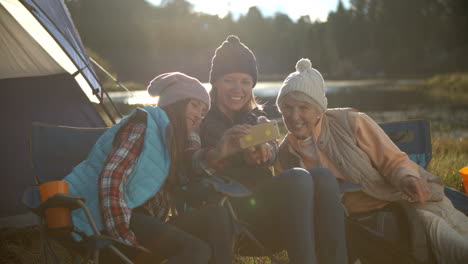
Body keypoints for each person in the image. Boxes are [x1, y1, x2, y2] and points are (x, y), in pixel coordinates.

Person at [274, 58, 468, 264]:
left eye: (303, 107)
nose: (294, 116)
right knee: (447, 245)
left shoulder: (350, 123)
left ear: (318, 110)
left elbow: (393, 161)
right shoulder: (284, 155)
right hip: (356, 228)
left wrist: (407, 178)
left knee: (456, 243)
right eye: (287, 107)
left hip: (403, 201)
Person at [63, 72, 248, 263]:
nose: (198, 115)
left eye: (202, 111)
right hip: (111, 222)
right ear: (176, 103)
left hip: (149, 222)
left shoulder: (174, 141)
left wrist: (218, 154)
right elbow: (111, 178)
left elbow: (189, 171)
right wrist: (121, 233)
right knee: (197, 251)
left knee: (216, 214)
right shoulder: (144, 126)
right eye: (194, 105)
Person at [197, 35, 348, 264]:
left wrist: (267, 150)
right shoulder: (201, 120)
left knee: (323, 177)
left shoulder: (256, 117)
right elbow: (193, 164)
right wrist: (229, 152)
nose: (238, 89)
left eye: (246, 82)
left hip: (267, 209)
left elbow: (272, 144)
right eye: (229, 80)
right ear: (215, 82)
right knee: (298, 178)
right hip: (235, 215)